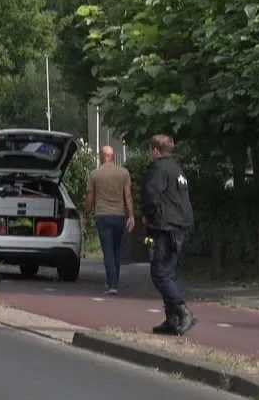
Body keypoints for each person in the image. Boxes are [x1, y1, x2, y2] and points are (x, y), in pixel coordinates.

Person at [141, 134, 195, 335]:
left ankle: (182, 311)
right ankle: (172, 319)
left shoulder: (158, 168)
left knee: (160, 272)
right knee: (170, 273)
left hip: (164, 227)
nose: (150, 154)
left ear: (155, 150)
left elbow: (151, 195)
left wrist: (148, 216)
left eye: (150, 150)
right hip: (181, 227)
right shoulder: (177, 170)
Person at [83, 147, 134, 295]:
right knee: (117, 249)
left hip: (103, 216)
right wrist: (131, 215)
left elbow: (90, 198)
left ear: (101, 156)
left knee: (108, 249)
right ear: (112, 156)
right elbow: (128, 195)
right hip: (119, 215)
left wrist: (85, 214)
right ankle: (114, 280)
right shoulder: (124, 173)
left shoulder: (95, 174)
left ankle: (111, 283)